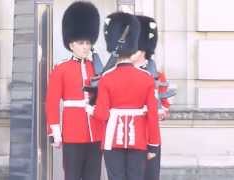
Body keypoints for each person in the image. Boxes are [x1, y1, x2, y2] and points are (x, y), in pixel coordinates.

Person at [91, 12, 161, 180]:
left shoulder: (107, 77)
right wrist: (153, 146)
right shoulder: (146, 78)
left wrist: (89, 107)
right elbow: (152, 116)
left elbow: (102, 114)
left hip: (112, 139)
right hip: (138, 139)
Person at [45, 2, 102, 180]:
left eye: (88, 42)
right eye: (81, 42)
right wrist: (54, 130)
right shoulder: (61, 68)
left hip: (96, 130)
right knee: (72, 175)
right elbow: (52, 101)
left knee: (93, 176)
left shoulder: (97, 68)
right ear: (71, 45)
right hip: (72, 131)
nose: (85, 46)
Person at [133, 15, 171, 180]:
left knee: (151, 175)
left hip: (151, 135)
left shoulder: (157, 74)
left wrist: (163, 111)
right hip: (130, 134)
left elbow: (164, 103)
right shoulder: (122, 71)